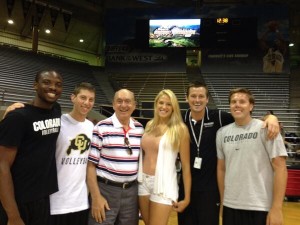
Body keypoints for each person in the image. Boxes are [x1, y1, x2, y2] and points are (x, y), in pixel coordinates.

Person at [177, 81, 280, 225]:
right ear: (186, 98)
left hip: (210, 191)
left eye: (201, 96)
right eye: (193, 96)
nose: (197, 100)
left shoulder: (219, 117)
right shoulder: (179, 120)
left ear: (207, 99)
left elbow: (244, 118)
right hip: (186, 188)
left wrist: (270, 117)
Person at [216, 88, 287, 225]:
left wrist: (277, 208)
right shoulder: (222, 133)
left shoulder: (267, 128)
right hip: (231, 205)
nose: (237, 104)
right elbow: (221, 169)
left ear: (251, 106)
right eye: (233, 102)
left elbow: (281, 169)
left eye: (242, 101)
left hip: (260, 206)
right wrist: (223, 201)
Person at [0, 70, 63, 225]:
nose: (53, 87)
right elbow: (2, 167)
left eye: (58, 84)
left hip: (43, 198)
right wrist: (13, 215)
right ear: (35, 85)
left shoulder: (56, 110)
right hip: (17, 201)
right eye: (47, 82)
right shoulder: (17, 118)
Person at [87, 89, 144, 225]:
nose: (123, 105)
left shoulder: (140, 129)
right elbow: (90, 166)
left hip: (131, 193)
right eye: (119, 101)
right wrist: (96, 197)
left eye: (127, 101)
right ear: (113, 104)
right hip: (105, 191)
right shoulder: (101, 128)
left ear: (134, 105)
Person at [138, 89, 191, 225]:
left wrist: (187, 198)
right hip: (142, 182)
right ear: (156, 104)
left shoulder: (180, 129)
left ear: (174, 107)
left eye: (168, 104)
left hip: (164, 185)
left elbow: (185, 166)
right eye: (161, 103)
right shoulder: (150, 125)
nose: (164, 107)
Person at [49, 82, 96, 225]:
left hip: (80, 202)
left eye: (91, 99)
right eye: (83, 97)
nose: (87, 103)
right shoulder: (58, 122)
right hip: (56, 201)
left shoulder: (91, 127)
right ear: (73, 98)